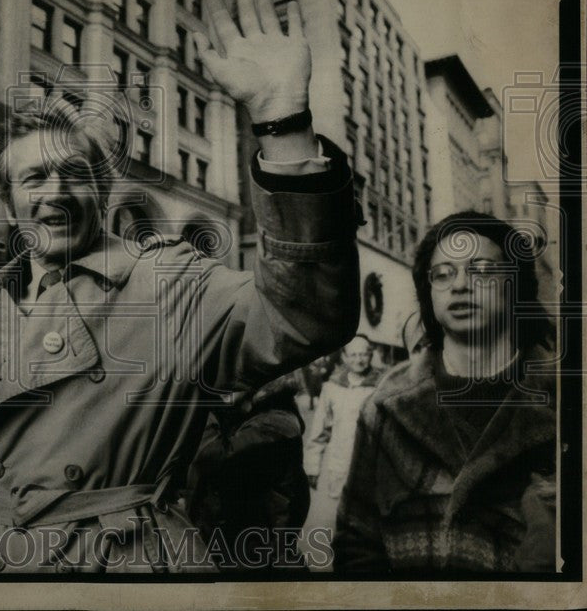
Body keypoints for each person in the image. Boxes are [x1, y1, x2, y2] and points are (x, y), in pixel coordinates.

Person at [0, 0, 362, 573]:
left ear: (104, 190)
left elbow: (303, 313)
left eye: (75, 175)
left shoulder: (166, 282)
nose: (56, 194)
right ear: (10, 205)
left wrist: (281, 122)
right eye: (34, 179)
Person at [334, 211, 557, 572]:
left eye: (482, 270)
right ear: (429, 292)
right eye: (443, 273)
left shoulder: (568, 404)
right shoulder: (386, 409)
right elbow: (355, 543)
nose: (459, 285)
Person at [185, 374, 310, 570]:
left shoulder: (277, 423)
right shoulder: (249, 413)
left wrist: (201, 407)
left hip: (256, 557)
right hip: (241, 550)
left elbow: (214, 456)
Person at [301, 334, 380, 565]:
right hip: (339, 465)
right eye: (354, 354)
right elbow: (319, 430)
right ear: (344, 357)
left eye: (364, 353)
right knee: (339, 521)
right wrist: (312, 466)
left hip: (371, 467)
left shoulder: (381, 386)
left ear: (371, 355)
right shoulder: (332, 388)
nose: (359, 359)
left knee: (369, 524)